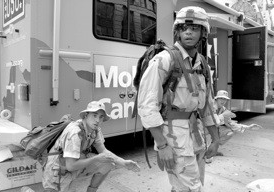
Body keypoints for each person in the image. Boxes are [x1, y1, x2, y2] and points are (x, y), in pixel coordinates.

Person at [137, 6, 220, 192]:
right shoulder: (164, 60)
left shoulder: (202, 65)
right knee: (191, 188)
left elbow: (207, 106)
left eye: (194, 28)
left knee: (187, 185)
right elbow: (147, 106)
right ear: (177, 32)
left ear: (203, 33)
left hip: (196, 136)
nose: (188, 32)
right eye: (183, 28)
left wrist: (215, 139)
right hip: (174, 137)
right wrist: (162, 145)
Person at [42, 101, 140, 192]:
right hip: (57, 171)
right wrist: (97, 158)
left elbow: (104, 151)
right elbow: (71, 166)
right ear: (86, 115)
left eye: (101, 117)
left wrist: (124, 162)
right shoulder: (75, 132)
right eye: (94, 115)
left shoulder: (95, 130)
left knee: (108, 163)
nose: (98, 120)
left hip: (73, 165)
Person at [205, 90, 262, 160]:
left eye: (225, 99)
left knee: (229, 132)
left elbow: (231, 123)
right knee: (211, 134)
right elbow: (208, 121)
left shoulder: (223, 109)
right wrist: (222, 116)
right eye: (221, 98)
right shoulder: (210, 106)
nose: (223, 101)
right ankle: (206, 153)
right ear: (216, 99)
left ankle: (214, 149)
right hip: (203, 129)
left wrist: (247, 127)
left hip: (213, 129)